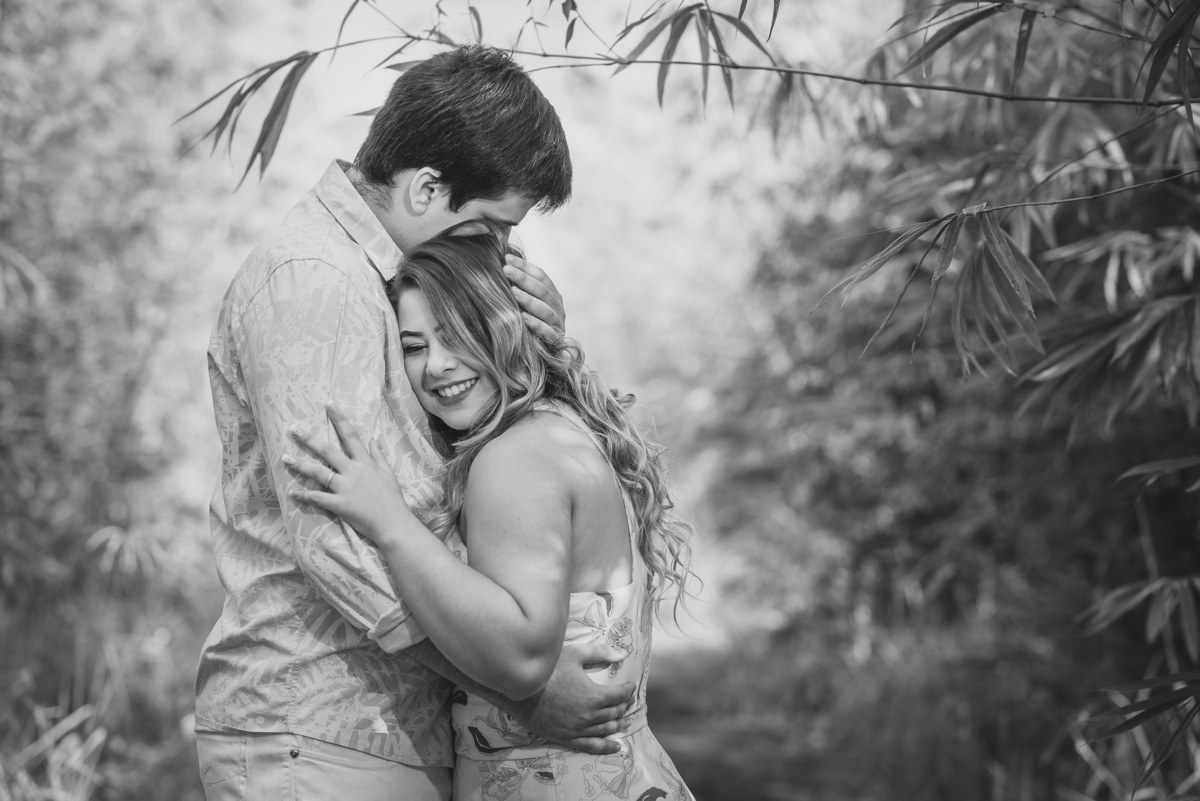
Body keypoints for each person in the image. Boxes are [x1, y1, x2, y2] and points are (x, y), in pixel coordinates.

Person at [196, 46, 632, 801]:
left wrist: (539, 341)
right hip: (319, 727)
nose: (502, 252)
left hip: (390, 732)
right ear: (429, 188)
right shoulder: (316, 281)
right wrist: (521, 689)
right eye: (493, 227)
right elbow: (336, 540)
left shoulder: (397, 285)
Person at [284, 230, 697, 801]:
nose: (437, 366)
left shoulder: (515, 459)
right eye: (414, 345)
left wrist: (391, 522)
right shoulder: (563, 431)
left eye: (457, 334)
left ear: (510, 327)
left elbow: (521, 657)